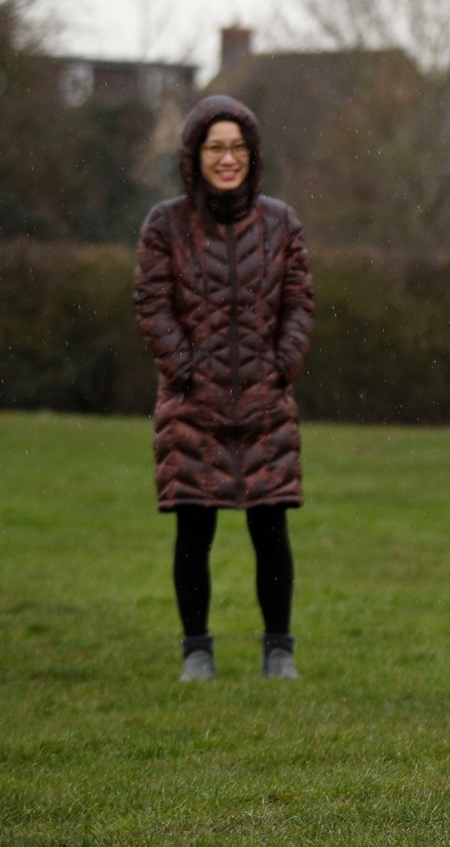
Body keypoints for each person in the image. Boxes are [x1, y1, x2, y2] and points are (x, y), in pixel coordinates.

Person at [134, 95, 314, 682]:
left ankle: (278, 652)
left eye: (237, 147)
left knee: (271, 527)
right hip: (192, 406)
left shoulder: (282, 222)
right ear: (195, 155)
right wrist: (183, 366)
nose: (227, 158)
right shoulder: (165, 224)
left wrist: (283, 364)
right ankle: (197, 653)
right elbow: (152, 301)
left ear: (252, 155)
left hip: (266, 401)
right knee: (194, 528)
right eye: (216, 147)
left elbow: (299, 302)